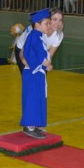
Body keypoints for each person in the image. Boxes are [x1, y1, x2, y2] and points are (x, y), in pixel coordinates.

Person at [20, 8, 53, 139]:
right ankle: (29, 126)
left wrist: (45, 66)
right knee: (32, 99)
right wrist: (43, 62)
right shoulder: (33, 36)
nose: (49, 26)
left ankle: (36, 125)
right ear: (37, 24)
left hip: (38, 73)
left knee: (39, 98)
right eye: (47, 23)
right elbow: (28, 54)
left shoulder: (39, 37)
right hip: (32, 73)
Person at [15, 7, 64, 74]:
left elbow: (48, 56)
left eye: (60, 20)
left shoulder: (59, 35)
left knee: (41, 79)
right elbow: (23, 56)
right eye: (55, 19)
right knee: (29, 78)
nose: (58, 23)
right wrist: (34, 68)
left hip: (39, 53)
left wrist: (45, 66)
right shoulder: (34, 33)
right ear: (48, 19)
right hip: (22, 51)